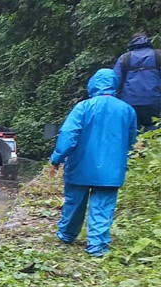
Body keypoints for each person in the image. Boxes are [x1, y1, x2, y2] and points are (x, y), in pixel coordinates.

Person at [50, 68, 137, 257]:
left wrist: (56, 158)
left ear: (92, 84)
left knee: (74, 203)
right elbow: (130, 139)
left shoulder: (83, 107)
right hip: (111, 169)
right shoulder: (127, 110)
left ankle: (66, 234)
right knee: (104, 205)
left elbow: (68, 135)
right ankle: (96, 245)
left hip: (80, 166)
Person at [113, 32, 161, 130]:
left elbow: (115, 80)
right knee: (155, 128)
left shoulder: (125, 58)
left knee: (133, 130)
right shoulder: (158, 55)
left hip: (130, 102)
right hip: (155, 100)